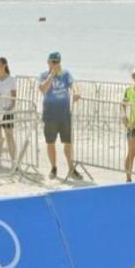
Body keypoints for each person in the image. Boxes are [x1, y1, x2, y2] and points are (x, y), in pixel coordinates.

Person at [38, 51, 82, 180]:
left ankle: (71, 168)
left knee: (68, 142)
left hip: (64, 115)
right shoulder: (43, 75)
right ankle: (53, 168)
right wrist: (52, 74)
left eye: (58, 62)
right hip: (50, 115)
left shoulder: (65, 74)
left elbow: (73, 84)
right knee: (50, 142)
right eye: (54, 62)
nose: (56, 64)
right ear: (48, 62)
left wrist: (76, 92)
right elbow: (43, 89)